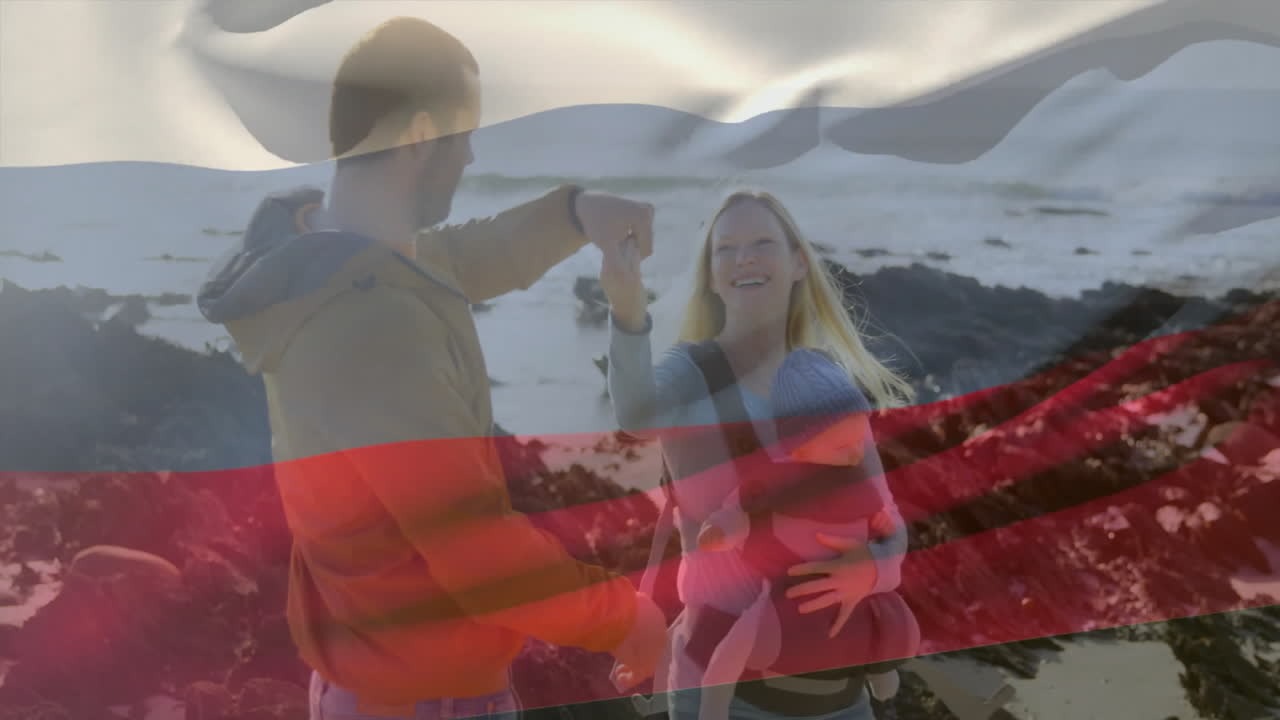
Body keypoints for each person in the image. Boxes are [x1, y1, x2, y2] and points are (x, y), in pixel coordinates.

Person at [197, 16, 667, 720]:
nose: (472, 156)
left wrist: (574, 211)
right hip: (424, 701)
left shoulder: (332, 262)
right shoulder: (372, 324)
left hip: (382, 679)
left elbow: (465, 256)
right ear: (419, 135)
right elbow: (476, 553)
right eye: (465, 134)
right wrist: (626, 617)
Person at [600, 189, 918, 720]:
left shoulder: (827, 380)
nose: (743, 257)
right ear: (711, 274)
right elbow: (634, 414)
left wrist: (872, 572)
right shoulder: (690, 373)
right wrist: (628, 306)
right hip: (729, 694)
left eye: (762, 243)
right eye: (725, 249)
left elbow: (887, 522)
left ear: (798, 263)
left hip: (840, 692)